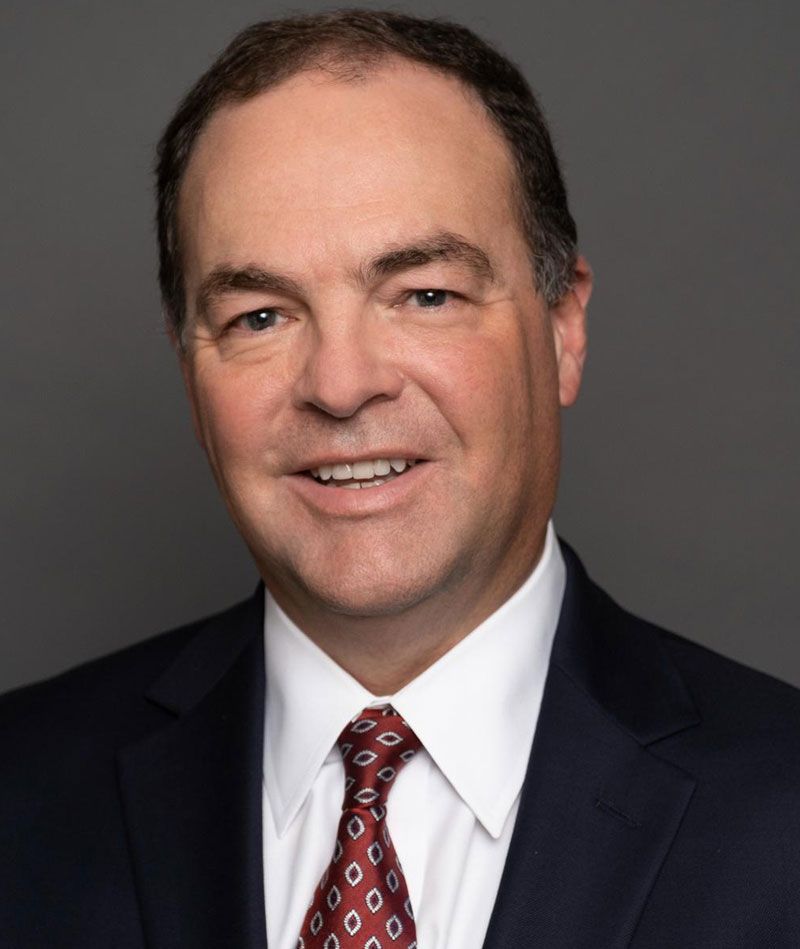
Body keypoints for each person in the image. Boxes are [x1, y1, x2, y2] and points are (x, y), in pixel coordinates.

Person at [1, 9, 799, 948]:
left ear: (562, 329)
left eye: (425, 294)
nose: (341, 385)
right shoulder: (20, 790)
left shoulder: (781, 813)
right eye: (260, 316)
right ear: (191, 372)